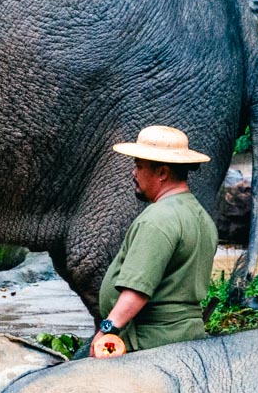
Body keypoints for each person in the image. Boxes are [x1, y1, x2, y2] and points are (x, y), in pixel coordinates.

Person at [90, 125, 218, 358]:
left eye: (139, 166)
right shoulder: (201, 216)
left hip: (150, 345)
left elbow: (137, 290)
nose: (133, 173)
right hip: (188, 339)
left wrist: (107, 330)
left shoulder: (158, 219)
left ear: (162, 173)